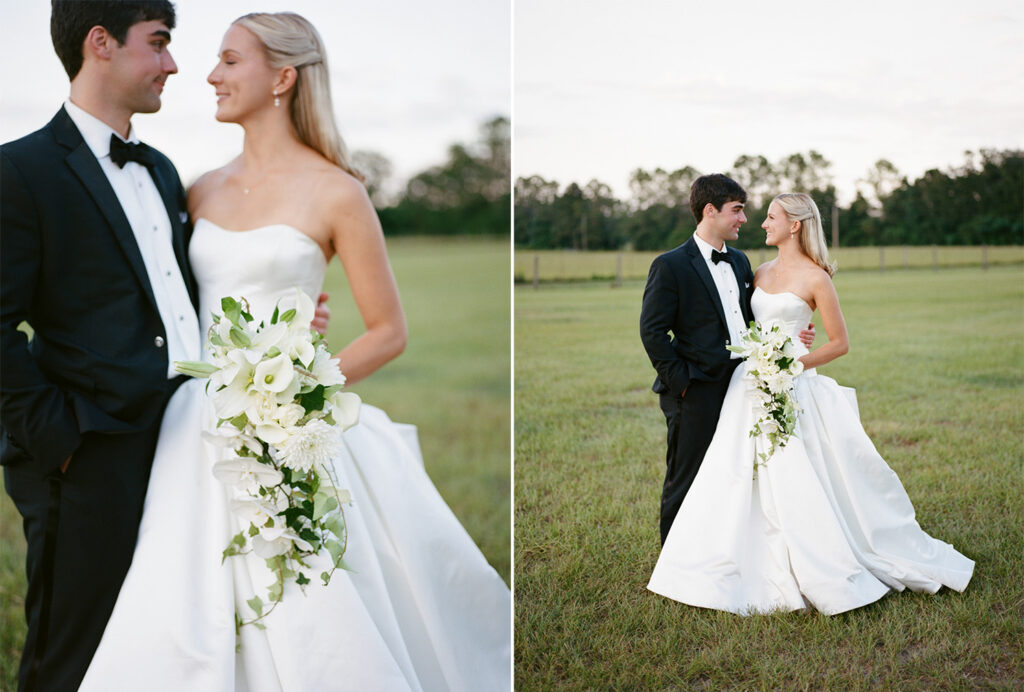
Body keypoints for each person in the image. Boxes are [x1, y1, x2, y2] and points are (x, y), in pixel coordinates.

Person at [78, 12, 511, 691]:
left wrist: (297, 389)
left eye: (229, 61)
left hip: (292, 422)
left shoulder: (338, 191)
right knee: (183, 598)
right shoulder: (199, 188)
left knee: (309, 594)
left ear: (282, 78)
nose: (210, 75)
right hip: (194, 426)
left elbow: (388, 330)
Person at [647, 193, 974, 615]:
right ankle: (714, 556)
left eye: (771, 217)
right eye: (754, 214)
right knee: (735, 472)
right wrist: (772, 352)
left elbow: (840, 343)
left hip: (792, 383)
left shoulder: (817, 278)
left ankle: (812, 556)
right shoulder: (756, 270)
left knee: (796, 471)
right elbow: (743, 322)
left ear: (795, 224)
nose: (761, 223)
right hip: (747, 386)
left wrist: (793, 360)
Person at [640, 174, 814, 545]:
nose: (744, 219)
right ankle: (674, 556)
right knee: (686, 476)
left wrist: (794, 335)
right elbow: (652, 332)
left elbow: (754, 318)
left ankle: (722, 546)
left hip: (742, 387)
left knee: (733, 474)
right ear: (710, 210)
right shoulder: (670, 265)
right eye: (737, 210)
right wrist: (682, 384)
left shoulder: (739, 261)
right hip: (695, 390)